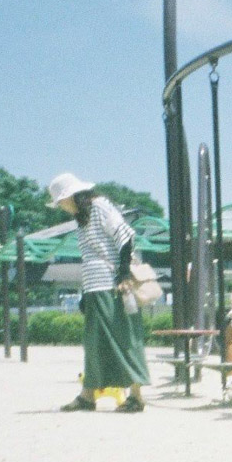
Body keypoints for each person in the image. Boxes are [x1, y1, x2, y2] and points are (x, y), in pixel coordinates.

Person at [47, 173, 150, 413]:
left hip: (112, 284)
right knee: (95, 343)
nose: (61, 206)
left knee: (122, 337)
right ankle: (88, 395)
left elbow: (125, 236)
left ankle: (135, 395)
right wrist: (86, 292)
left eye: (61, 201)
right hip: (95, 286)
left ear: (73, 196)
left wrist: (124, 273)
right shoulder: (81, 218)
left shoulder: (100, 206)